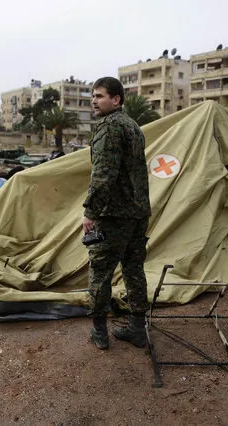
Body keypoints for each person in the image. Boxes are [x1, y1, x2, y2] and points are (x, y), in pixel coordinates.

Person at [83, 77, 151, 350]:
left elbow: (103, 175)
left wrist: (91, 211)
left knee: (100, 271)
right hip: (137, 211)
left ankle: (99, 332)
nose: (94, 101)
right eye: (93, 96)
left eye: (99, 96)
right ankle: (137, 328)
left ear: (116, 99)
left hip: (114, 215)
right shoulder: (133, 126)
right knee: (134, 269)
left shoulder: (109, 128)